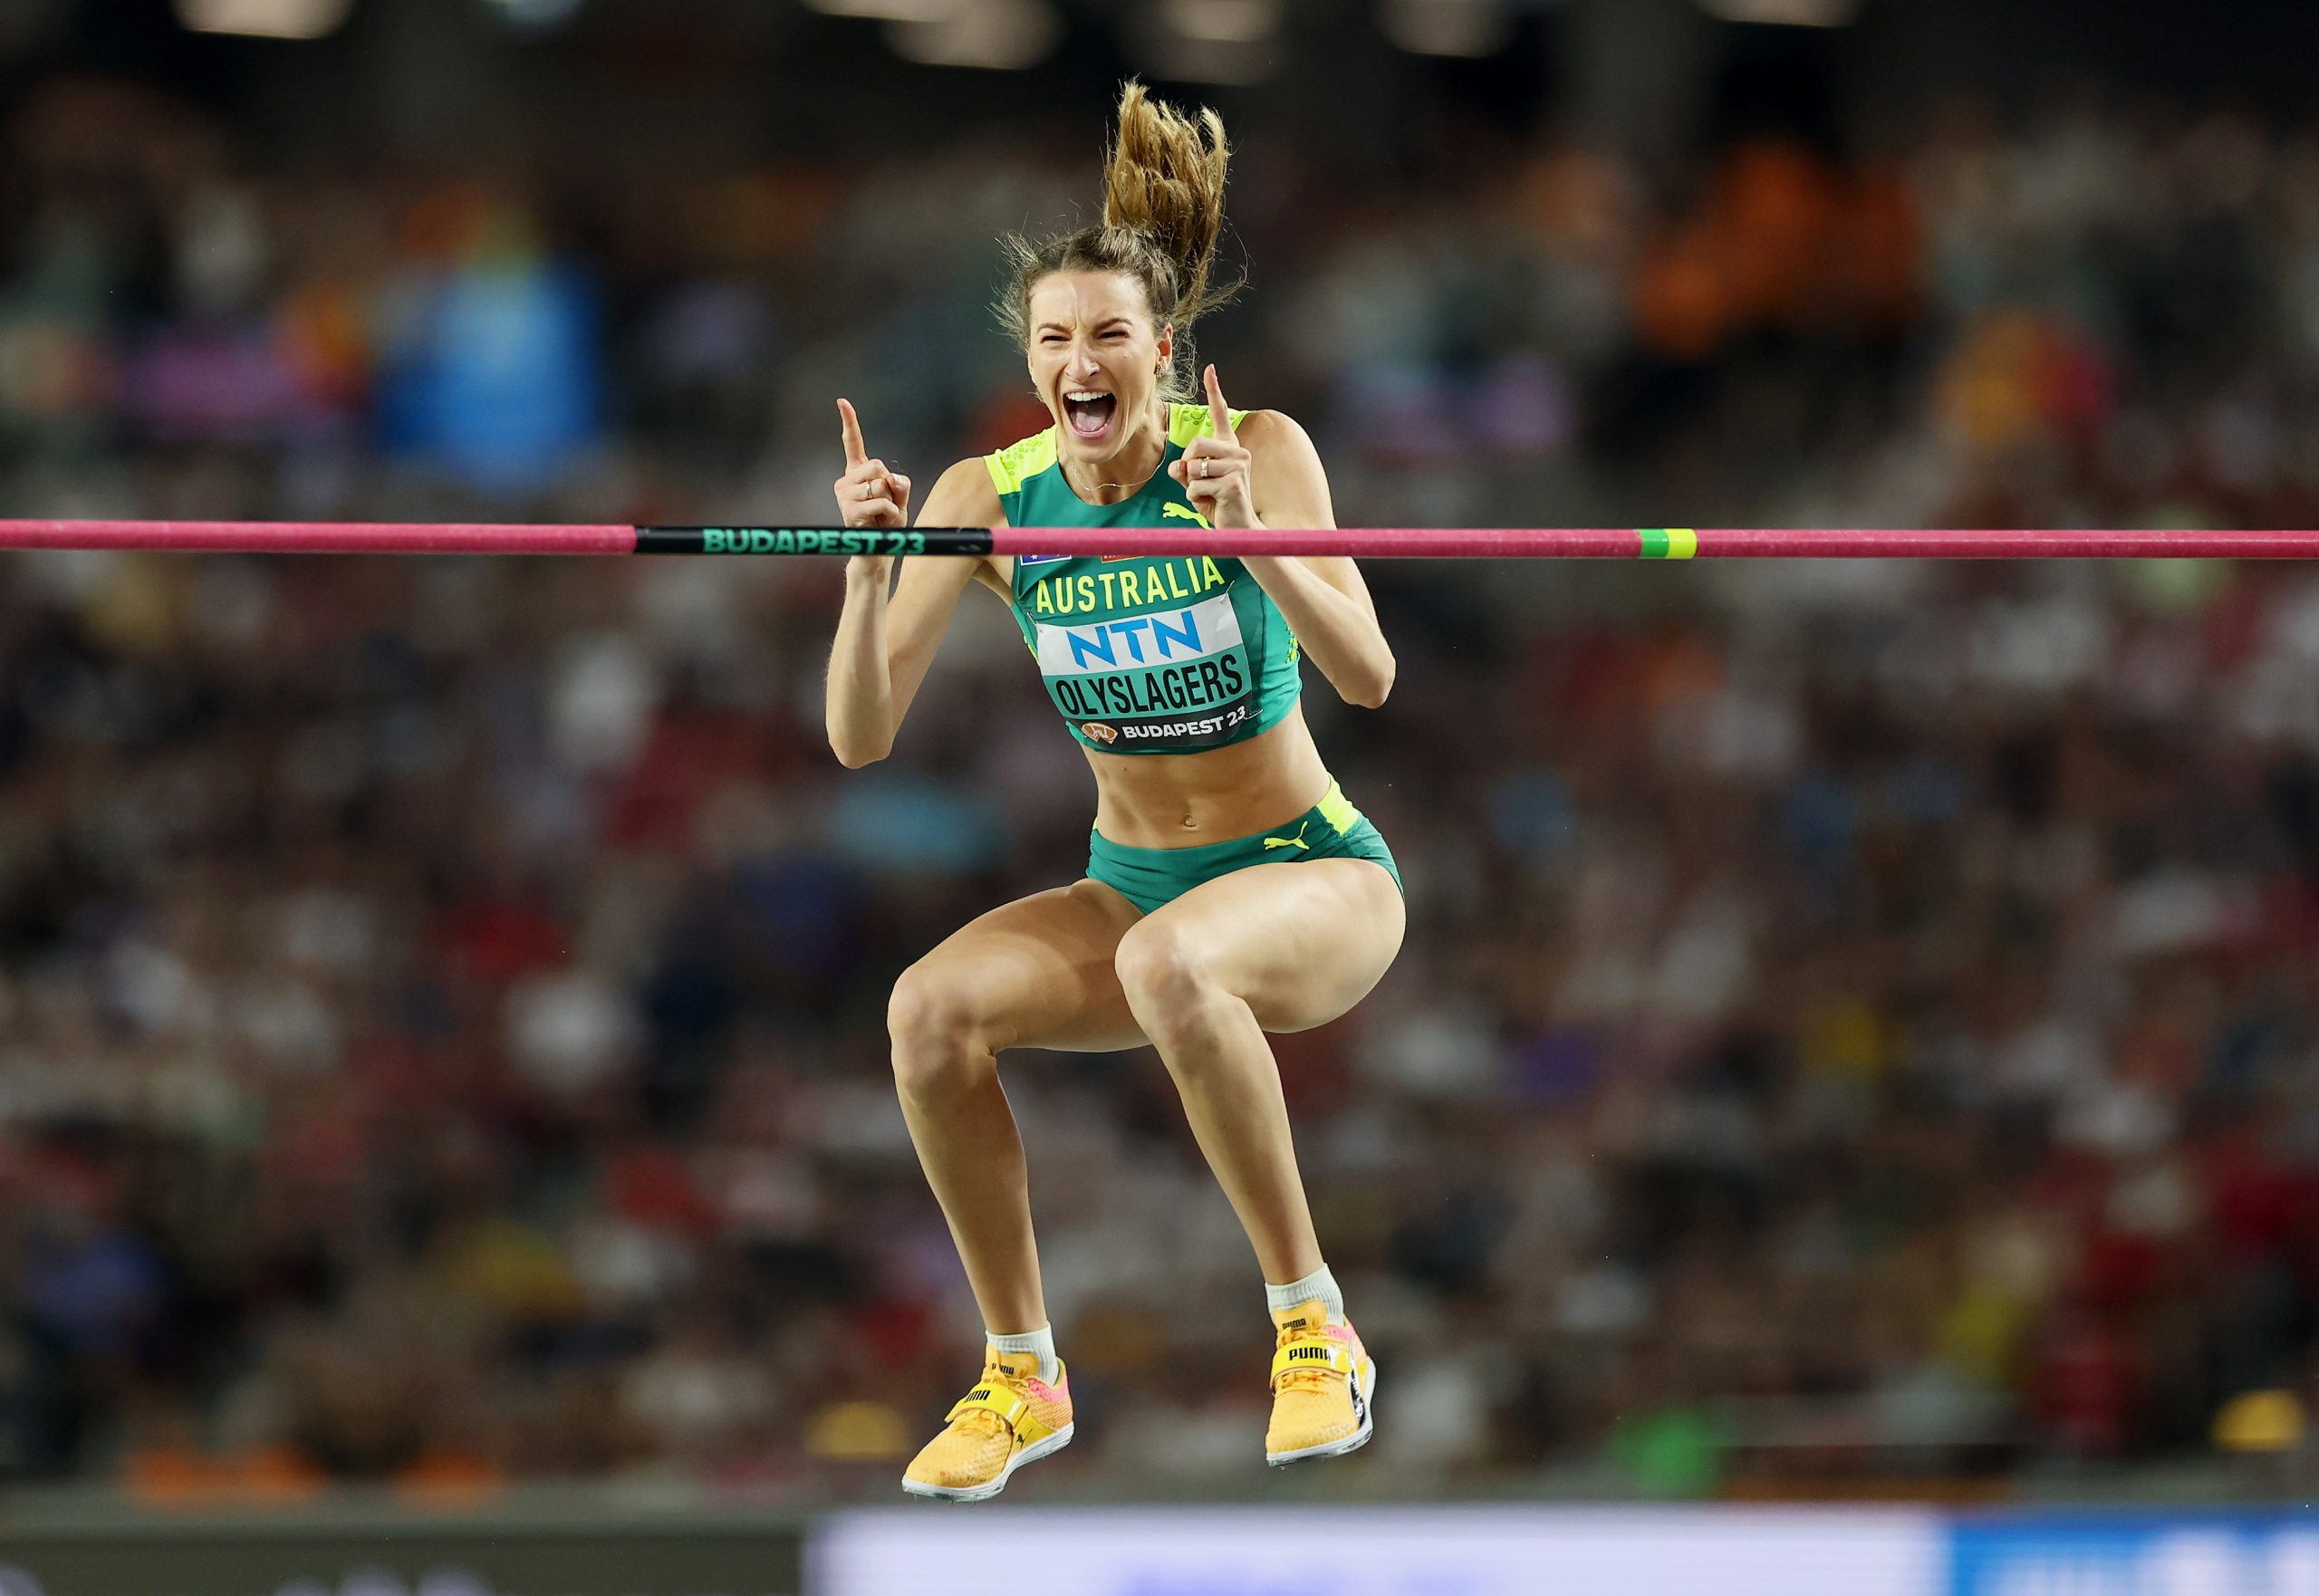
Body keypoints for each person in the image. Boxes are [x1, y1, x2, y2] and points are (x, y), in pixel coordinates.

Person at [824, 82, 1404, 1502]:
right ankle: (1022, 1370)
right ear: (1034, 366)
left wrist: (1253, 539)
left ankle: (1313, 1325)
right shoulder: (991, 494)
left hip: (1313, 873)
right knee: (928, 1009)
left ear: (1160, 349)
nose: (1081, 363)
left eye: (1108, 337)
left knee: (1170, 960)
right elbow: (858, 734)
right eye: (1054, 342)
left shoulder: (1252, 451)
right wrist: (866, 574)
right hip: (1131, 891)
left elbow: (1371, 673)